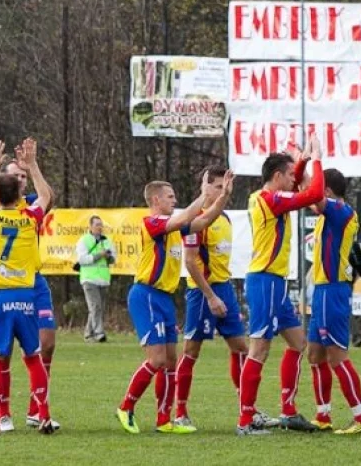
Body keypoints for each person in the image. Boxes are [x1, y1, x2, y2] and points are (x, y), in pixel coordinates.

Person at [116, 169, 235, 435]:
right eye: (170, 196)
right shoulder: (153, 224)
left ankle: (164, 420)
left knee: (170, 361)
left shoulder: (174, 225)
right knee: (156, 359)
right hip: (146, 295)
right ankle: (126, 407)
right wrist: (203, 195)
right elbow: (185, 217)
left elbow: (203, 222)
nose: (174, 199)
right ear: (156, 200)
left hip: (165, 297)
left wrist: (222, 197)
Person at [173, 166, 276, 431]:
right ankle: (181, 411)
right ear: (204, 187)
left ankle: (248, 408)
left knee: (241, 348)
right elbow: (190, 262)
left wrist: (222, 295)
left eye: (224, 187)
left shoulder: (226, 219)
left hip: (224, 288)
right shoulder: (196, 218)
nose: (222, 191)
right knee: (191, 351)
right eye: (217, 186)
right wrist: (210, 296)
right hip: (201, 292)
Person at [236, 136, 325, 436]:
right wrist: (317, 159)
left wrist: (299, 161)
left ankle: (288, 411)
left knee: (299, 343)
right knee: (259, 349)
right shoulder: (270, 199)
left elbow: (299, 181)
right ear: (277, 178)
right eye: (289, 176)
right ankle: (245, 421)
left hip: (276, 282)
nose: (293, 181)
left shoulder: (266, 196)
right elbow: (314, 193)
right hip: (265, 281)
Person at [0, 139, 56, 437]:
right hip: (26, 296)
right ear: (20, 194)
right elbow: (45, 194)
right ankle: (42, 414)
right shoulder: (30, 218)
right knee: (33, 357)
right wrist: (32, 165)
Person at [305, 168, 361, 435]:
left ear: (326, 191)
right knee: (314, 354)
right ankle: (322, 415)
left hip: (333, 291)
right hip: (323, 291)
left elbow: (313, 196)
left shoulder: (339, 211)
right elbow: (308, 194)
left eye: (316, 188)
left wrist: (315, 158)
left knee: (337, 357)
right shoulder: (330, 212)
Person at [76, 215, 116, 343]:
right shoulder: (84, 240)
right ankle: (99, 333)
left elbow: (114, 258)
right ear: (90, 226)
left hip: (103, 279)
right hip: (89, 279)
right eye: (97, 224)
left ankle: (88, 334)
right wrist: (100, 255)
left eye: (101, 224)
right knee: (95, 306)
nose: (100, 227)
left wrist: (110, 256)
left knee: (96, 308)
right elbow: (82, 259)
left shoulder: (107, 241)